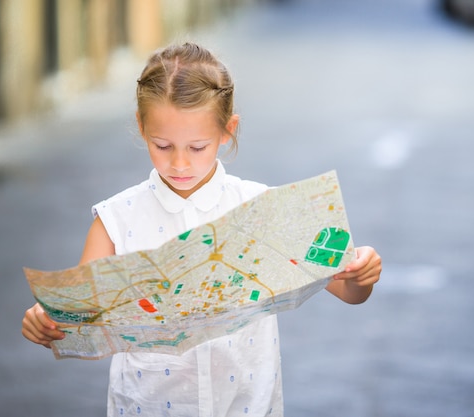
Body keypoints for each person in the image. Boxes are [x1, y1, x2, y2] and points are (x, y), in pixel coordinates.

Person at [22, 42, 382, 417]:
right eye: (162, 145)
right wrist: (46, 321)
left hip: (246, 405)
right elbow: (79, 316)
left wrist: (361, 273)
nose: (179, 163)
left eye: (197, 147)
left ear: (228, 130)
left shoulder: (261, 208)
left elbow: (348, 290)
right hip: (147, 407)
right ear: (142, 126)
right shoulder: (116, 219)